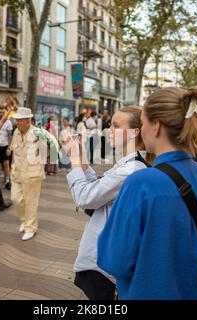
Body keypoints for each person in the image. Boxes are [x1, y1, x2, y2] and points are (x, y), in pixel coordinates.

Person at [97, 87, 197, 299]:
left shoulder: (140, 183)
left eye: (144, 122)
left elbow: (115, 260)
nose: (142, 129)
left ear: (156, 126)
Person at [65, 107, 152, 300]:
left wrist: (74, 160)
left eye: (115, 126)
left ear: (134, 132)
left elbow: (85, 197)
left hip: (104, 265)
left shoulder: (131, 169)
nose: (108, 130)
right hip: (103, 260)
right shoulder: (129, 163)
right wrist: (83, 161)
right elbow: (100, 190)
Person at [10, 107, 58, 241]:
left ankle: (30, 228)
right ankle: (24, 220)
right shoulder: (16, 132)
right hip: (17, 171)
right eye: (17, 121)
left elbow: (52, 149)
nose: (17, 123)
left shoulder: (38, 133)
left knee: (31, 202)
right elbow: (14, 150)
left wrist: (43, 152)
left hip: (32, 173)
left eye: (20, 121)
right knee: (15, 198)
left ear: (28, 121)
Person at [0, 107, 14, 189]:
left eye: (3, 112)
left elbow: (10, 136)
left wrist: (9, 147)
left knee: (6, 163)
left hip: (4, 146)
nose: (1, 114)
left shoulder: (8, 122)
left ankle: (7, 181)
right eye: (0, 112)